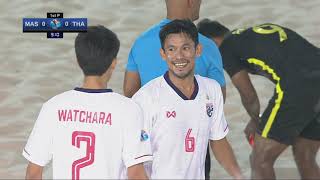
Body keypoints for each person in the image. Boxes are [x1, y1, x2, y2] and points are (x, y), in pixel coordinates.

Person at [22, 26, 152, 179]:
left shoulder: (53, 107)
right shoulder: (129, 110)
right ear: (113, 63)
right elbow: (136, 173)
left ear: (78, 61)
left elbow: (33, 172)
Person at [197, 19, 320, 179]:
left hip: (299, 85)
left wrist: (255, 120)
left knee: (260, 159)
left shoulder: (226, 48)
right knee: (305, 153)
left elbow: (249, 96)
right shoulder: (250, 35)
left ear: (211, 42)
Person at [124, 1, 226, 178]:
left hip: (151, 142)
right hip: (193, 143)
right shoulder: (206, 46)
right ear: (190, 2)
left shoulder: (140, 42)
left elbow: (129, 92)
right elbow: (218, 100)